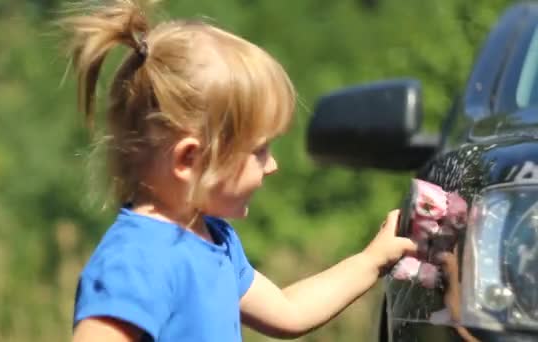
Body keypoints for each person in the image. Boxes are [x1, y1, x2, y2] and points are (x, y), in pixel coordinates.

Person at [60, 1, 417, 341]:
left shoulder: (215, 240)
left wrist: (371, 262)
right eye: (259, 150)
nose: (272, 165)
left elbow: (288, 311)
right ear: (189, 160)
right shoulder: (136, 260)